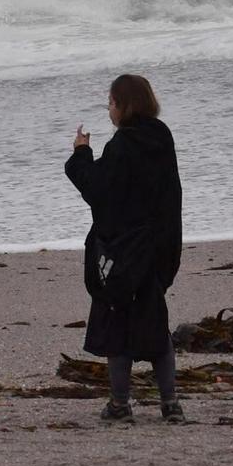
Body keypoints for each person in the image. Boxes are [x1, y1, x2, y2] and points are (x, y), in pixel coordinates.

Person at [64, 73, 185, 423]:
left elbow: (100, 190)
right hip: (158, 251)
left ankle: (120, 405)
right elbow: (171, 197)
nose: (109, 109)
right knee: (156, 329)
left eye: (111, 103)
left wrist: (81, 153)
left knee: (117, 328)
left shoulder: (122, 146)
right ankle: (170, 404)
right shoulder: (162, 137)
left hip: (124, 255)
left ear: (124, 105)